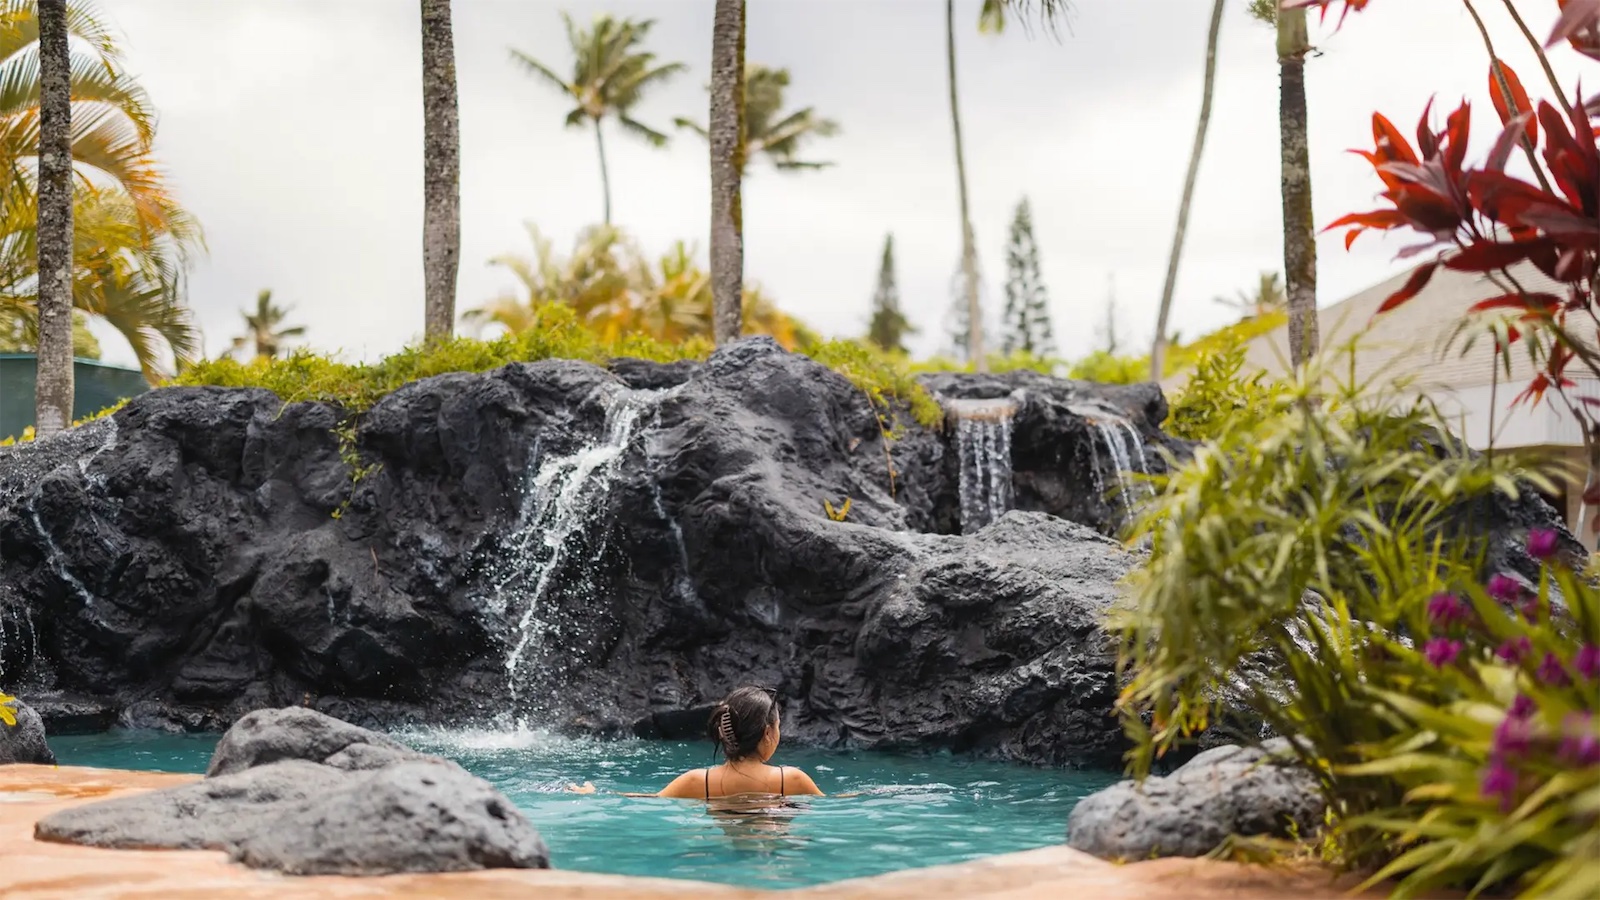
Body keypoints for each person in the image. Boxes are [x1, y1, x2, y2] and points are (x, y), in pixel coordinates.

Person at [569, 685, 824, 798]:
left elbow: (642, 798)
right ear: (769, 733)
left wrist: (596, 794)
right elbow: (838, 804)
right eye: (778, 726)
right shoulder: (790, 780)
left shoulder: (696, 781)